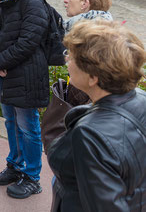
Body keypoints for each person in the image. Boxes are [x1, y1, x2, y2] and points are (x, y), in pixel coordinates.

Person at [47, 20, 146, 211]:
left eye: (72, 57)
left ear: (93, 78)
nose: (67, 60)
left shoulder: (90, 133)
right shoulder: (141, 99)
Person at [0, 0, 49, 199]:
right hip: (4, 72)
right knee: (11, 122)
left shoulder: (33, 2)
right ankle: (16, 165)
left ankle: (32, 177)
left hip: (24, 75)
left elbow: (28, 42)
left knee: (28, 126)